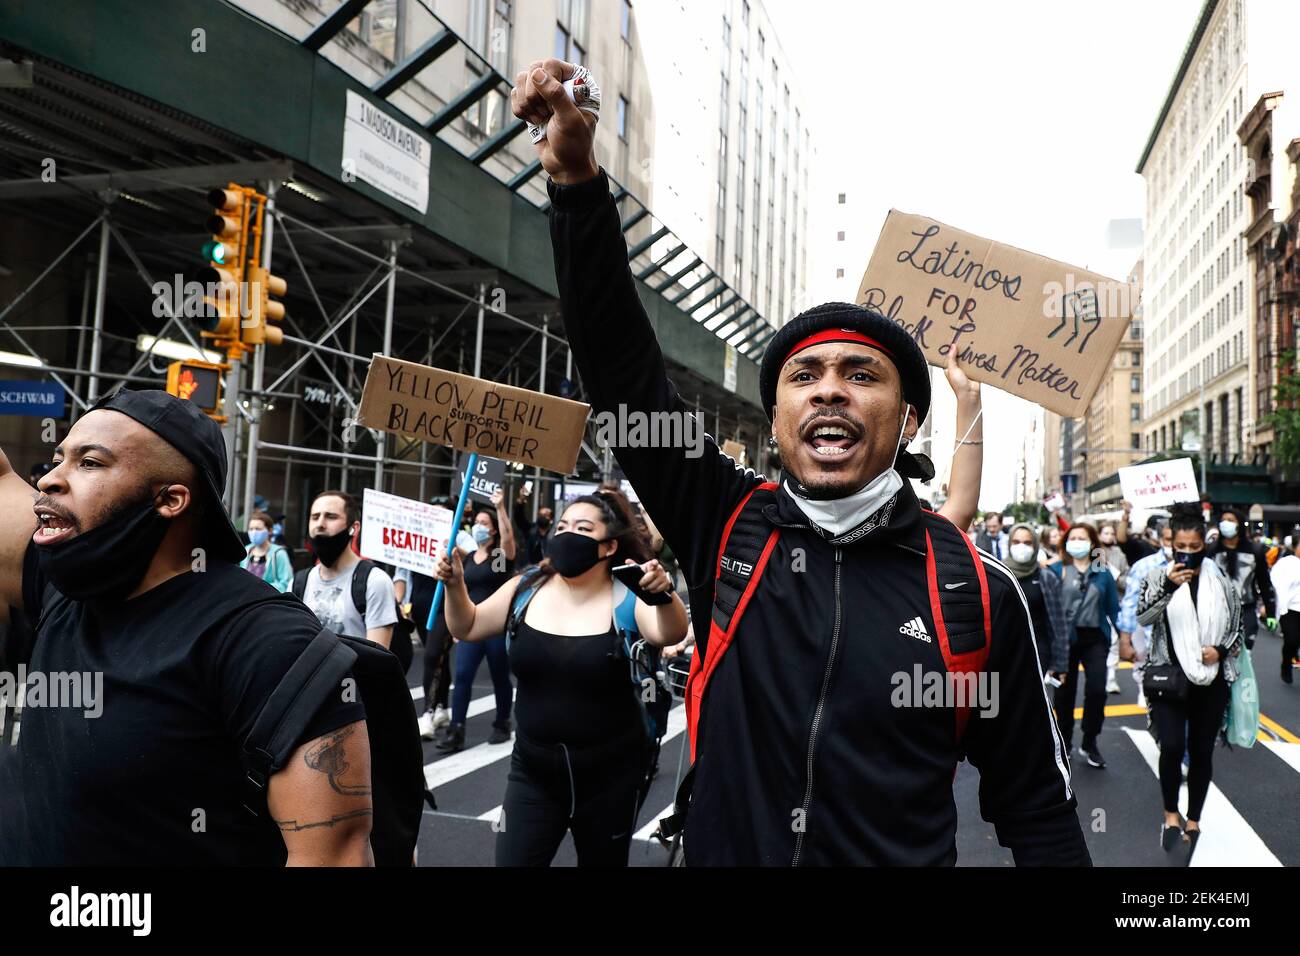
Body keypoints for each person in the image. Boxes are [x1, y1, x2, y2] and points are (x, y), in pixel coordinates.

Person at [512, 57, 1089, 866]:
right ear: (778, 415)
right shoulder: (724, 522)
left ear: (909, 418)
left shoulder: (978, 593)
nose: (830, 394)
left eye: (862, 376)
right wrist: (575, 183)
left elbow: (1039, 814)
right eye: (805, 377)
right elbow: (621, 372)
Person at [0, 390, 371, 865]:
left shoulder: (263, 640)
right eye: (59, 458)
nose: (50, 479)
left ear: (170, 499)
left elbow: (334, 856)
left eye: (89, 463)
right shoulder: (65, 587)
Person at [434, 488, 687, 866]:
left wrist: (663, 595)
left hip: (611, 780)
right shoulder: (527, 586)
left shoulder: (629, 596)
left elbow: (668, 633)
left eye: (583, 528)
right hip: (531, 775)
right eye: (563, 525)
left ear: (609, 547)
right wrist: (455, 585)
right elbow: (467, 624)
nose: (567, 534)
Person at [1133, 502, 1243, 854]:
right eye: (1182, 546)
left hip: (1211, 681)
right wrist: (1167, 586)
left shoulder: (1221, 579)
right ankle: (1170, 814)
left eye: (1196, 547)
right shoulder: (1157, 576)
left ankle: (1193, 819)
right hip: (1169, 677)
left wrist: (1221, 651)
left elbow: (1237, 628)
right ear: (1171, 544)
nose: (1189, 553)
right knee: (1173, 746)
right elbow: (1144, 618)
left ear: (1204, 544)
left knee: (1200, 752)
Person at [436, 490, 517, 753]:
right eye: (477, 523)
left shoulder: (496, 560)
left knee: (499, 677)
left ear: (493, 531)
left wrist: (501, 507)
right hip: (472, 625)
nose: (479, 527)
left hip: (494, 625)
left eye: (485, 524)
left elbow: (508, 540)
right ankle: (456, 729)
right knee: (462, 677)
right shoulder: (469, 558)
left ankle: (502, 723)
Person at [1049, 523, 1120, 769]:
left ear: (1092, 543)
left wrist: (1126, 637)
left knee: (1098, 690)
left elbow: (1113, 608)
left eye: (1083, 538)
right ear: (1066, 542)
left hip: (1095, 638)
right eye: (1073, 537)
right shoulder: (1056, 569)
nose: (1077, 541)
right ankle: (1065, 742)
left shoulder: (1103, 572)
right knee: (1064, 695)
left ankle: (1090, 741)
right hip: (1063, 640)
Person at [1117, 522, 1175, 706]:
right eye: (1168, 540)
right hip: (1153, 639)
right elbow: (1129, 603)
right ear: (1159, 539)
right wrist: (1125, 641)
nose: (1174, 545)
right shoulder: (1142, 563)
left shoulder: (1204, 566)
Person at [1003, 523, 1068, 683]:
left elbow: (1059, 623)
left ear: (1036, 545)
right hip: (1005, 648)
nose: (1021, 547)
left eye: (1027, 543)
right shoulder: (999, 574)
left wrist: (1061, 663)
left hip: (1038, 648)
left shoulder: (1046, 578)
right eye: (1016, 542)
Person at [1207, 508, 1276, 651]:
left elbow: (1264, 582)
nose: (1226, 523)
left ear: (1239, 525)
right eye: (1223, 520)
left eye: (1231, 521)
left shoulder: (1254, 551)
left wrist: (1270, 612)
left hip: (1246, 609)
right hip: (1217, 609)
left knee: (1244, 649)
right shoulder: (1212, 550)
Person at [1269, 534, 1300, 683]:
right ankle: (1286, 665)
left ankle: (1295, 659)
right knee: (1292, 640)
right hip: (1290, 609)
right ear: (1295, 547)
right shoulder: (1286, 564)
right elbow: (1276, 584)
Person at [241, 509, 294, 592]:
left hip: (268, 601)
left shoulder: (279, 553)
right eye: (251, 529)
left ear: (270, 531)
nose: (254, 532)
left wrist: (261, 588)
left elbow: (286, 583)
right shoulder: (247, 550)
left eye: (258, 529)